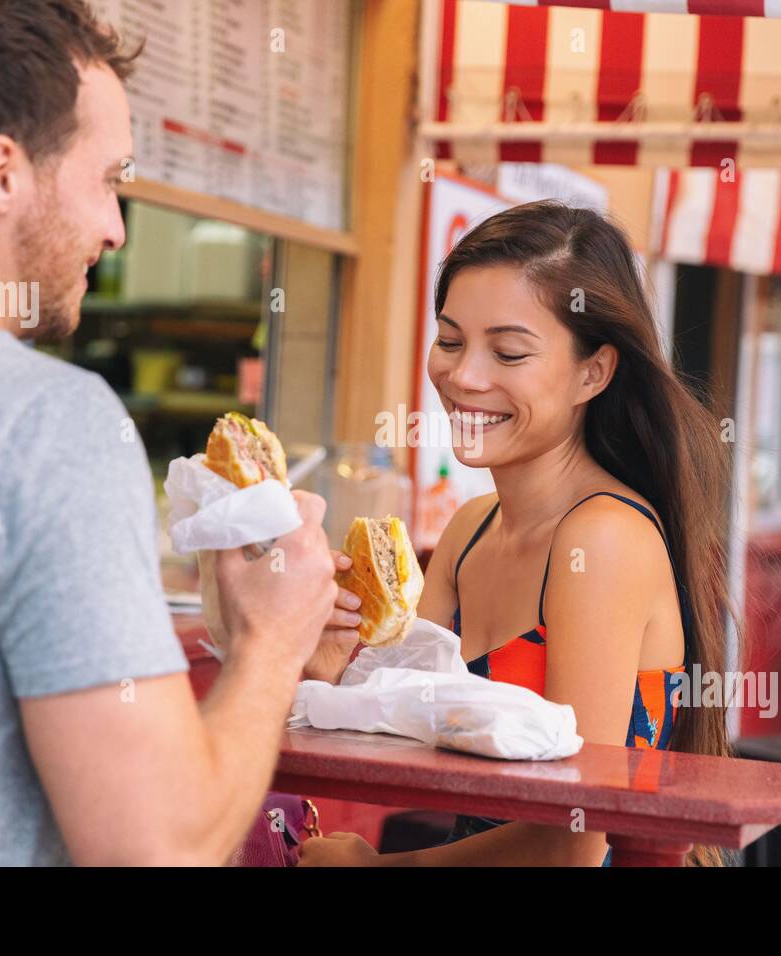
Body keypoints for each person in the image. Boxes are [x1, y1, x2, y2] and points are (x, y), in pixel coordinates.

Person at [0, 0, 362, 866]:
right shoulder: (47, 423)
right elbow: (157, 848)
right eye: (108, 179)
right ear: (3, 174)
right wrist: (274, 643)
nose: (116, 227)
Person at [300, 201, 738, 867]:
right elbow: (403, 731)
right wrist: (329, 670)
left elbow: (575, 842)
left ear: (593, 372)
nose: (464, 377)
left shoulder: (605, 539)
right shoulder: (470, 530)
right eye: (450, 341)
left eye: (507, 351)